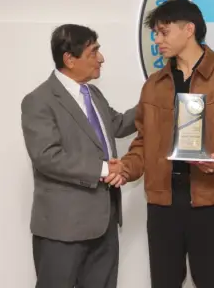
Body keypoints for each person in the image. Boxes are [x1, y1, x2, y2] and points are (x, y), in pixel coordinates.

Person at [118, 0, 214, 288]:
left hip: (211, 202)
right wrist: (124, 168)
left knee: (210, 281)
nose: (157, 40)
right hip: (162, 204)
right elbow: (143, 142)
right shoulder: (154, 85)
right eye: (155, 34)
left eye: (163, 32)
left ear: (189, 29)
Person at [20, 24, 136, 288]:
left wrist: (155, 101)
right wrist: (104, 170)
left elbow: (117, 124)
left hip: (105, 225)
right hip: (63, 229)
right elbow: (47, 157)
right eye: (93, 52)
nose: (101, 58)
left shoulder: (93, 94)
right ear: (69, 59)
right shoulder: (39, 100)